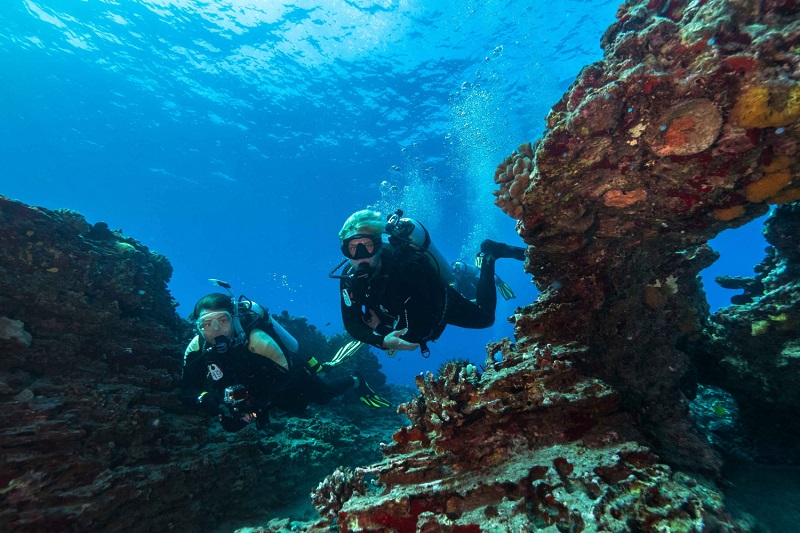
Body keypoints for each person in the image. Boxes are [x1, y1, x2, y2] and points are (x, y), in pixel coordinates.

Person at [181, 290, 389, 433]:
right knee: (230, 425)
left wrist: (262, 404)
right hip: (250, 385)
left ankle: (355, 379)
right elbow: (187, 389)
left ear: (234, 319)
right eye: (207, 324)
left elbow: (289, 376)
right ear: (198, 327)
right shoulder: (197, 348)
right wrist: (204, 397)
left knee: (317, 398)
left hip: (286, 374)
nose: (216, 330)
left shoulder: (258, 341)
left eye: (223, 321)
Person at [335, 209, 526, 357]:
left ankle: (488, 256)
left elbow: (420, 331)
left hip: (439, 303)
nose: (360, 257)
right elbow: (351, 323)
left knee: (486, 318)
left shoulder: (407, 267)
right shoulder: (349, 277)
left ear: (377, 245)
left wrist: (381, 332)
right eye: (352, 249)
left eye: (367, 246)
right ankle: (460, 271)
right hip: (402, 312)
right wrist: (383, 339)